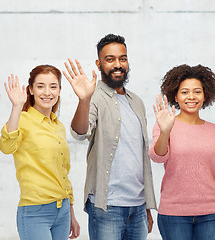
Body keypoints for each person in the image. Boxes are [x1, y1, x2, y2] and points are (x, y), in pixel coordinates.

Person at [63, 33, 157, 240]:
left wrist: (147, 206)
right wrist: (84, 100)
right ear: (99, 63)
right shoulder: (94, 97)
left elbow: (140, 158)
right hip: (107, 207)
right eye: (110, 59)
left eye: (122, 58)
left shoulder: (137, 102)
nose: (118, 64)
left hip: (138, 207)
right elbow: (80, 132)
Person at [149, 64, 215, 240]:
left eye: (197, 91)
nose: (191, 97)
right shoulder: (165, 124)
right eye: (184, 92)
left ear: (205, 95)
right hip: (174, 214)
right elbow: (157, 157)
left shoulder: (214, 131)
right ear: (175, 96)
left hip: (210, 214)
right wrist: (165, 131)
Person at [0, 65, 80, 239]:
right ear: (31, 89)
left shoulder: (58, 126)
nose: (47, 92)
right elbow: (7, 147)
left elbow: (64, 173)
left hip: (63, 210)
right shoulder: (23, 119)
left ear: (59, 90)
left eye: (53, 86)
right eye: (40, 86)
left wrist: (71, 213)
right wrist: (16, 107)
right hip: (35, 211)